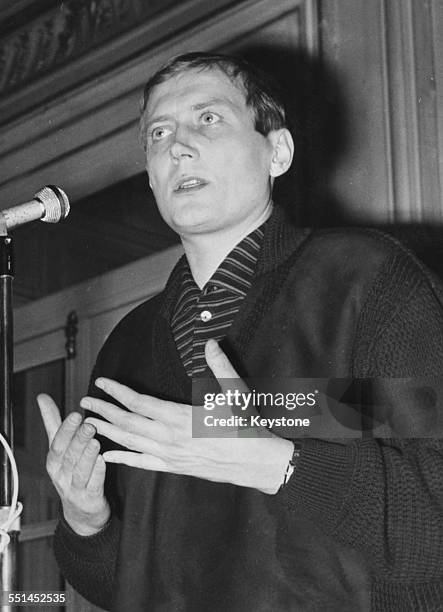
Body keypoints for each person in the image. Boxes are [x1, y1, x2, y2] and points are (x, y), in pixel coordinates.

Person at [38, 52, 443, 611]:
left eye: (208, 119)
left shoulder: (366, 280)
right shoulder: (127, 347)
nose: (177, 145)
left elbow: (433, 517)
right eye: (158, 132)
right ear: (151, 175)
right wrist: (88, 521)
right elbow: (127, 584)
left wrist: (278, 464)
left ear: (277, 152)